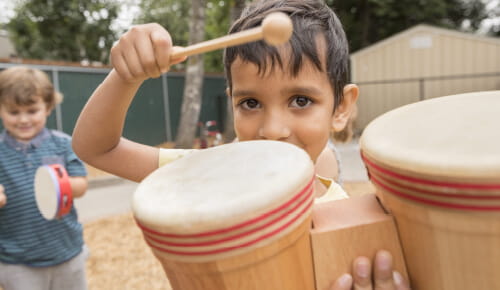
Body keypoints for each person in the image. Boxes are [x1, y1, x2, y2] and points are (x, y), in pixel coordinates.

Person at [72, 0, 409, 289]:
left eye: (301, 100)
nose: (273, 130)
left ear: (341, 108)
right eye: (251, 103)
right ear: (232, 102)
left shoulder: (350, 218)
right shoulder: (205, 173)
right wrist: (126, 76)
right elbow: (97, 148)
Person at [0, 66, 89, 290]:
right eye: (13, 112)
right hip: (17, 262)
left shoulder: (63, 143)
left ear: (48, 107)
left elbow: (81, 184)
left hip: (67, 253)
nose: (23, 119)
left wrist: (56, 185)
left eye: (31, 110)